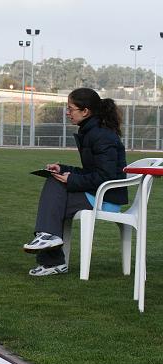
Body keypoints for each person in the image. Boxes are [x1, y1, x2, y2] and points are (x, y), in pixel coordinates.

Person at [23, 88, 127, 276]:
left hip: (107, 199)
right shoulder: (91, 132)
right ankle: (50, 245)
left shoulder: (101, 135)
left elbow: (106, 176)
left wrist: (71, 179)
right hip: (97, 193)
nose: (67, 113)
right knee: (55, 181)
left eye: (71, 109)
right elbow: (91, 172)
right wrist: (63, 169)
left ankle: (51, 255)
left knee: (55, 191)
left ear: (85, 111)